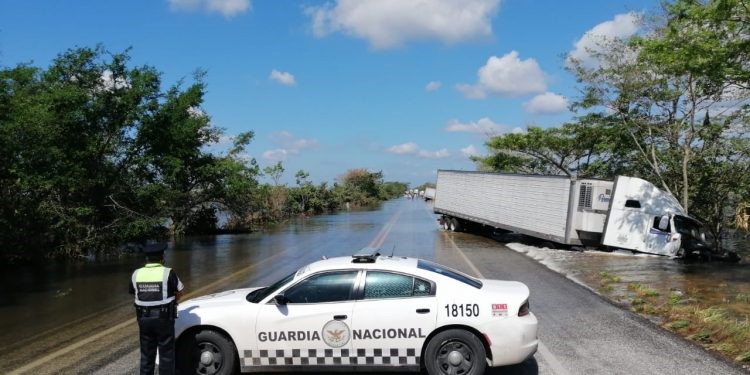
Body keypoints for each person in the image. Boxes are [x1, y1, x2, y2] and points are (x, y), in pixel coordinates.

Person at [129, 243, 184, 375]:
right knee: (166, 355)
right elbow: (180, 291)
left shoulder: (136, 274)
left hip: (143, 319)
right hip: (164, 319)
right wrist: (173, 300)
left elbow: (133, 292)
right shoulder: (168, 272)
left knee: (146, 355)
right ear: (162, 257)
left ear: (146, 258)